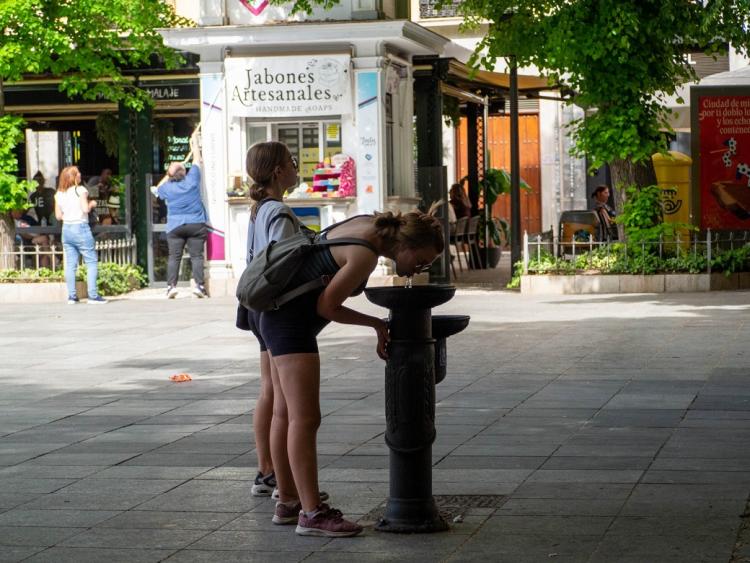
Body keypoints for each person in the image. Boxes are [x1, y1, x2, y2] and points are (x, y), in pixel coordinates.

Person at [260, 209, 444, 537]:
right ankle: (312, 514)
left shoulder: (365, 224)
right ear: (407, 245)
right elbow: (326, 306)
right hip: (290, 324)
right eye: (421, 260)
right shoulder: (365, 254)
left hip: (275, 314)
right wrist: (376, 323)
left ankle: (289, 501)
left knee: (287, 413)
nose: (419, 268)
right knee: (305, 419)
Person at [242, 141, 302, 500]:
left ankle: (266, 469)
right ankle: (278, 477)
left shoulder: (259, 208)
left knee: (269, 389)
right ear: (279, 171)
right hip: (276, 306)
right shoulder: (277, 211)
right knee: (280, 397)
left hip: (255, 305)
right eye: (292, 162)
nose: (297, 167)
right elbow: (284, 263)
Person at [155, 133, 208, 298]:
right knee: (197, 256)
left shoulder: (167, 188)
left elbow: (157, 187)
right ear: (184, 172)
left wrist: (168, 174)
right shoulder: (192, 180)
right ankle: (199, 286)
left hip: (175, 226)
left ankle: (171, 287)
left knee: (174, 257)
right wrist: (194, 145)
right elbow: (197, 161)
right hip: (196, 224)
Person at [54, 166, 107, 304]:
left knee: (71, 264)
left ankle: (72, 296)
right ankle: (93, 295)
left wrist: (69, 214)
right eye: (77, 173)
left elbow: (58, 216)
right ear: (73, 177)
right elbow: (85, 209)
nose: (80, 174)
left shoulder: (59, 193)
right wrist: (92, 204)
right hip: (80, 227)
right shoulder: (81, 190)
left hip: (67, 229)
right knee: (91, 262)